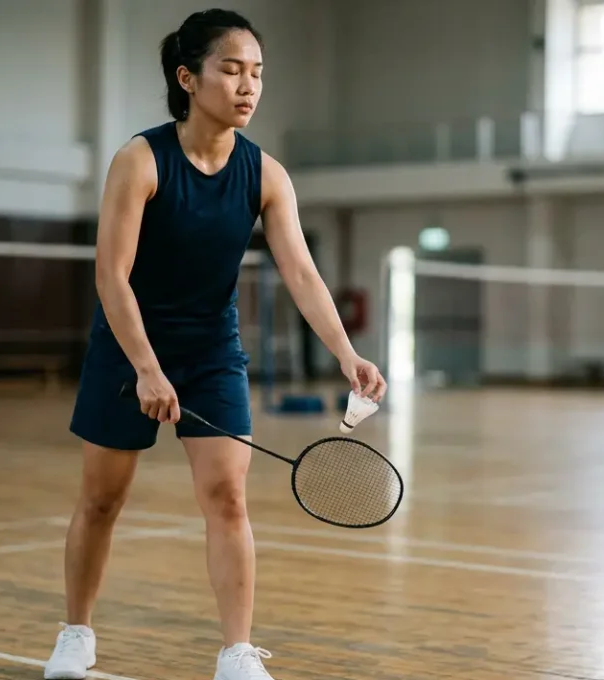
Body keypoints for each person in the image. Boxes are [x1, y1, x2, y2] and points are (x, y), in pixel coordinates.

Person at [43, 8, 386, 680]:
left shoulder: (266, 175)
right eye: (231, 70)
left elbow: (301, 273)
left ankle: (236, 652)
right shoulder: (141, 161)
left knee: (228, 496)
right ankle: (76, 632)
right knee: (102, 500)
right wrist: (146, 368)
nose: (247, 85)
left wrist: (347, 353)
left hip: (211, 353)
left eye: (256, 72)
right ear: (187, 78)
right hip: (127, 348)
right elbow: (111, 275)